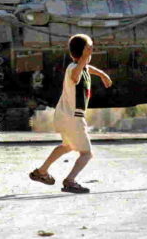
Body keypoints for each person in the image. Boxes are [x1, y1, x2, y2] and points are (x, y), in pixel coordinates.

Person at [29, 34, 112, 193]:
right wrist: (85, 57)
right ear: (85, 51)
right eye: (89, 49)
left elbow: (87, 68)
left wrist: (102, 74)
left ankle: (41, 171)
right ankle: (70, 181)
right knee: (87, 154)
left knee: (67, 146)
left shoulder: (77, 66)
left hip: (64, 116)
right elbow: (76, 76)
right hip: (73, 118)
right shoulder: (75, 69)